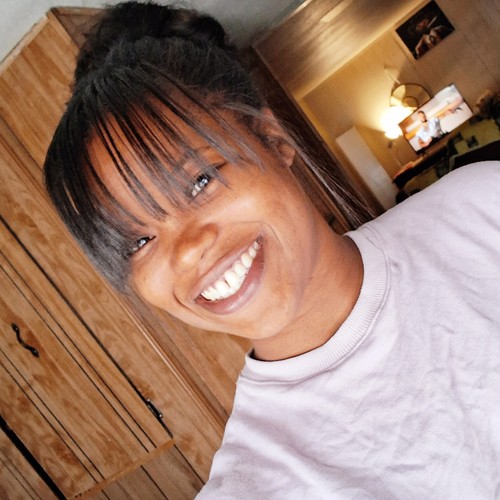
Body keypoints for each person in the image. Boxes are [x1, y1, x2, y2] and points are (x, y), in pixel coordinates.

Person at [43, 2, 500, 498]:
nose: (187, 251)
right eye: (138, 241)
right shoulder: (254, 485)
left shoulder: (483, 204)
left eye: (200, 181)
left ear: (273, 138)